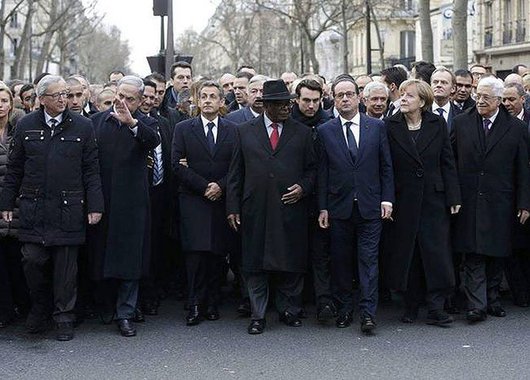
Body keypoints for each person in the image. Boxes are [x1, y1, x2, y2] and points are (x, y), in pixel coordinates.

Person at [0, 75, 104, 341]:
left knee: (66, 267)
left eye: (66, 94)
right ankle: (40, 307)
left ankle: (64, 316)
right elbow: (14, 169)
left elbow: (91, 170)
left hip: (69, 207)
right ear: (42, 99)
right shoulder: (26, 125)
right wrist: (6, 203)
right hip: (34, 207)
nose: (63, 99)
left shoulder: (82, 126)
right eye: (57, 95)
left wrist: (95, 205)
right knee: (32, 260)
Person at [226, 79, 317, 334]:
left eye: (289, 103)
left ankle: (290, 309)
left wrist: (303, 187)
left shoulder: (301, 132)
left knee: (291, 261)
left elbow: (312, 169)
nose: (288, 108)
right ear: (267, 106)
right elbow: (236, 173)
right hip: (255, 209)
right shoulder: (244, 131)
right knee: (255, 265)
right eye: (281, 104)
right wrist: (232, 207)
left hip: (290, 208)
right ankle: (258, 314)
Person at [316, 75, 394, 334]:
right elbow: (323, 172)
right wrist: (323, 207)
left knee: (369, 261)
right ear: (334, 100)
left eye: (350, 94)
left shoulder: (376, 127)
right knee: (341, 262)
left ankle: (368, 313)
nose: (346, 99)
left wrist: (387, 199)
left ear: (359, 97)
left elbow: (386, 166)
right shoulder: (325, 131)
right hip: (339, 208)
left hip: (371, 206)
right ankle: (344, 309)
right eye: (340, 95)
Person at [452, 76, 530, 323]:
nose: (480, 100)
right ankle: (477, 305)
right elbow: (450, 163)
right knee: (473, 253)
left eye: (486, 97)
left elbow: (523, 169)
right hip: (470, 199)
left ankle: (492, 299)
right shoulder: (461, 123)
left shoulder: (516, 128)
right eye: (479, 96)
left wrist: (524, 203)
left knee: (497, 252)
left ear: (498, 100)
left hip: (501, 201)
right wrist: (453, 196)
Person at [384, 79, 461, 326]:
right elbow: (386, 166)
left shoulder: (437, 123)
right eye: (402, 95)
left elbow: (447, 162)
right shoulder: (390, 125)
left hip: (433, 199)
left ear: (422, 101)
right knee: (409, 252)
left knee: (436, 252)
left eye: (408, 96)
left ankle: (437, 306)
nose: (402, 99)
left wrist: (454, 196)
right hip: (404, 198)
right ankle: (411, 304)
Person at [89, 76, 160, 337]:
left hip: (132, 203)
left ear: (141, 101)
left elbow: (152, 141)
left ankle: (126, 313)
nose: (123, 102)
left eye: (130, 99)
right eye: (120, 96)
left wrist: (131, 123)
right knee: (102, 255)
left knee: (130, 259)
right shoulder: (96, 122)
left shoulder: (147, 123)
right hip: (103, 199)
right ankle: (105, 305)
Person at [172, 81, 238, 325]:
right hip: (193, 199)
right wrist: (204, 187)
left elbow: (236, 165)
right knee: (195, 255)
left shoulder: (233, 130)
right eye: (204, 96)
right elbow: (176, 164)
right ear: (197, 101)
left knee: (216, 255)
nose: (208, 100)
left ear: (222, 102)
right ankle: (195, 304)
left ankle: (212, 302)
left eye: (213, 96)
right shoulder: (183, 129)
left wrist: (220, 186)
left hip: (221, 200)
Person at [0, 83, 29, 328]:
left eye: (4, 100)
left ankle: (23, 306)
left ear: (11, 103)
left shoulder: (20, 130)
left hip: (18, 203)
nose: (0, 105)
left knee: (17, 259)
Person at [430, 67, 462, 134]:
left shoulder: (460, 115)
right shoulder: (421, 112)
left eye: (444, 82)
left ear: (453, 88)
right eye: (435, 82)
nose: (439, 85)